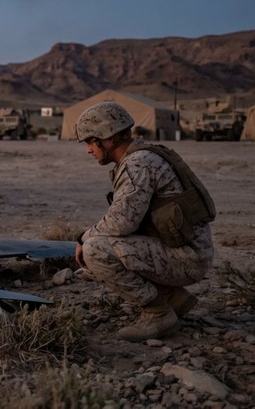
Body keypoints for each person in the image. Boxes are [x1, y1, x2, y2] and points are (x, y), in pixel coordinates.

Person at [73, 101, 215, 342]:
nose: (88, 150)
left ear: (109, 138)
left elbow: (121, 222)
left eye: (91, 141)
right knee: (103, 242)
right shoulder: (143, 155)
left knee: (95, 250)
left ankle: (158, 313)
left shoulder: (138, 163)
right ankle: (172, 297)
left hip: (187, 257)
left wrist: (82, 238)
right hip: (185, 249)